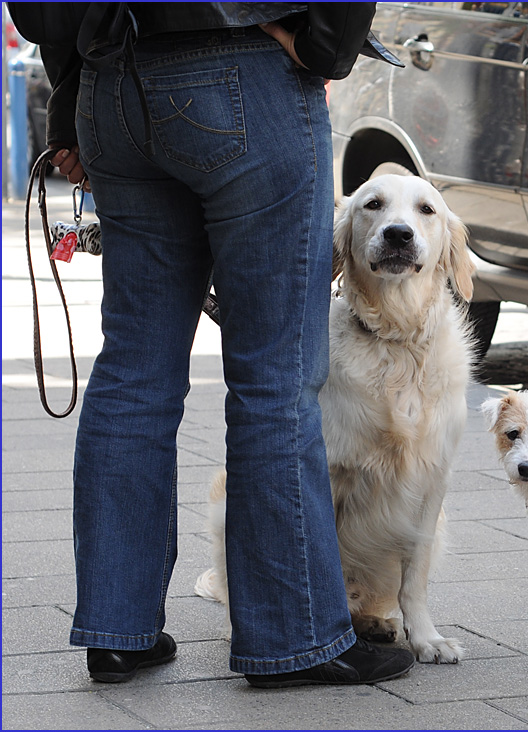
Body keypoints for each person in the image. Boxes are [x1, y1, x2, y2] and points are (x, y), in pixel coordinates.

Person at [8, 2, 416, 686]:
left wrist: (71, 95)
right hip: (245, 67)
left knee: (134, 367)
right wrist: (324, 48)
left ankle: (117, 630)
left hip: (112, 82)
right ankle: (294, 638)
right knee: (275, 375)